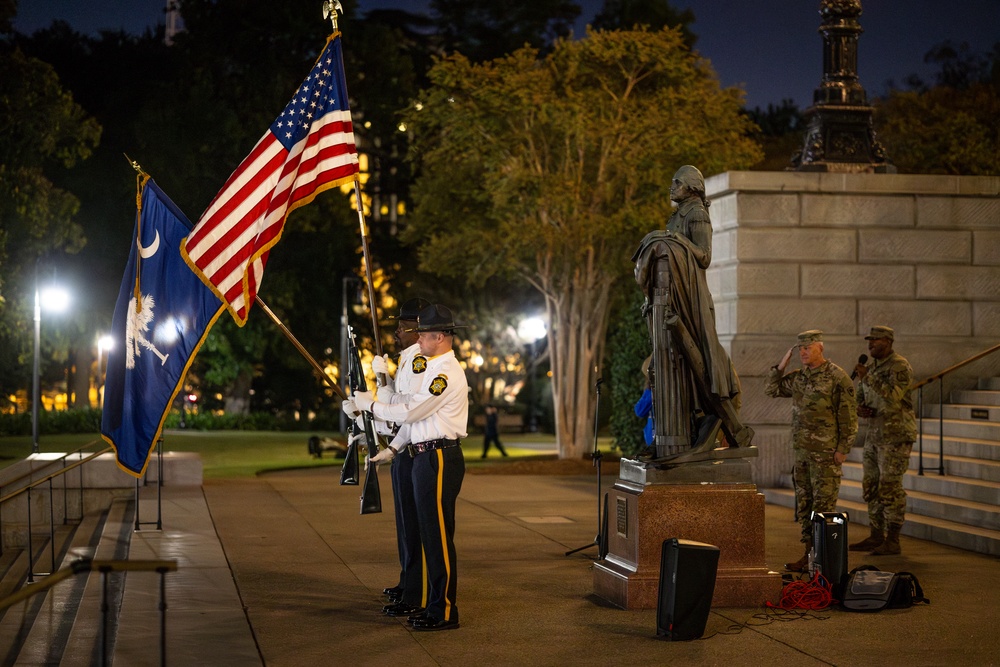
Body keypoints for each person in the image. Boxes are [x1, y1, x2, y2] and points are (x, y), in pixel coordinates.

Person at [356, 303, 469, 631]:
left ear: (440, 336)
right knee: (427, 533)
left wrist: (373, 406)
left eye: (423, 334)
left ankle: (444, 609)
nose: (417, 338)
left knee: (437, 537)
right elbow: (414, 419)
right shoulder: (433, 367)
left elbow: (410, 412)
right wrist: (393, 448)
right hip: (424, 455)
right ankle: (434, 603)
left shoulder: (445, 373)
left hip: (439, 458)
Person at [633, 165, 752, 458]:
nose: (671, 187)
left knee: (697, 360)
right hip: (674, 296)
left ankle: (725, 423)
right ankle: (675, 435)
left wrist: (673, 240)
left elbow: (704, 257)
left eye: (677, 182)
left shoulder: (697, 213)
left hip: (692, 300)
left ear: (692, 187)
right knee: (674, 366)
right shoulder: (678, 215)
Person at [357, 297, 431, 615]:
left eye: (403, 326)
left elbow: (406, 405)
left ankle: (416, 590)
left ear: (419, 330)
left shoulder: (420, 362)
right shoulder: (406, 359)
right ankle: (408, 581)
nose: (397, 331)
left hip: (417, 451)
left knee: (414, 525)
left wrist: (381, 390)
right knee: (404, 525)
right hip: (403, 447)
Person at [765, 330, 858, 572]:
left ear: (820, 348)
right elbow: (771, 390)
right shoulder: (799, 377)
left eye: (807, 347)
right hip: (803, 453)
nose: (803, 352)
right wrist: (781, 365)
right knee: (804, 505)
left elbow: (848, 416)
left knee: (823, 506)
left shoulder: (837, 377)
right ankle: (808, 555)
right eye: (799, 349)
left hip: (826, 454)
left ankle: (823, 559)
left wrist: (843, 449)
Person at [849, 326, 917, 556]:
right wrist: (861, 408)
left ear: (887, 341)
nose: (870, 345)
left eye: (875, 340)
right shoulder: (872, 368)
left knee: (890, 487)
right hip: (875, 435)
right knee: (871, 486)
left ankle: (893, 540)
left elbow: (894, 397)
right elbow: (863, 396)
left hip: (896, 436)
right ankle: (876, 535)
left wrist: (867, 377)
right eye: (869, 341)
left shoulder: (899, 366)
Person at [633, 355, 654, 451]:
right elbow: (639, 410)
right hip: (652, 439)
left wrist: (649, 392)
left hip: (655, 439)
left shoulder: (651, 393)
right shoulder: (650, 392)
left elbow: (639, 410)